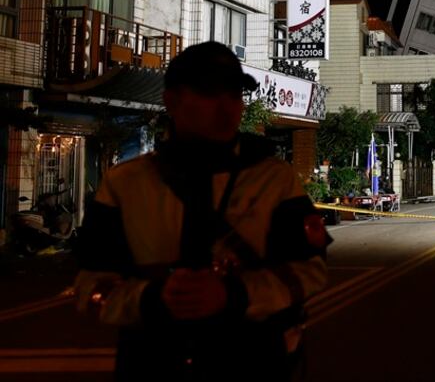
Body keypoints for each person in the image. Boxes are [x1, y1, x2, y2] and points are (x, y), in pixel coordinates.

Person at [74, 41, 330, 381]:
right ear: (172, 101)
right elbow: (88, 286)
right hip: (151, 362)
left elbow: (311, 271)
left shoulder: (274, 179)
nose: (226, 109)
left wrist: (235, 295)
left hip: (253, 362)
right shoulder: (125, 183)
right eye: (209, 93)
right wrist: (154, 298)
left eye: (235, 95)